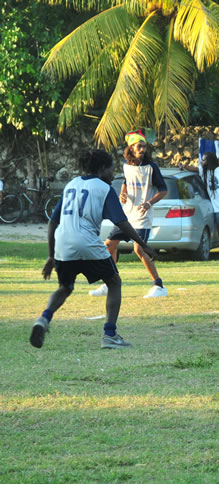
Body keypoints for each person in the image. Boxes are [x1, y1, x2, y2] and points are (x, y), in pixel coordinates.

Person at [30, 149, 156, 349]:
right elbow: (121, 222)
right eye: (111, 170)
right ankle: (110, 335)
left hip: (63, 243)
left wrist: (51, 255)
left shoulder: (71, 184)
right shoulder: (104, 188)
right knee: (114, 282)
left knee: (65, 287)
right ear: (102, 168)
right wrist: (144, 244)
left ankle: (44, 319)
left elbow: (53, 222)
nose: (113, 175)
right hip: (87, 242)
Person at [89, 129, 168, 298]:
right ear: (131, 148)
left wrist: (149, 203)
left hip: (142, 217)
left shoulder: (151, 167)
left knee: (139, 249)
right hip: (127, 215)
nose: (142, 149)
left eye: (144, 146)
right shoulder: (127, 166)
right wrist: (123, 193)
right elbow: (126, 182)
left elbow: (163, 191)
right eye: (139, 146)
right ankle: (109, 284)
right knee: (109, 246)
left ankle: (159, 286)